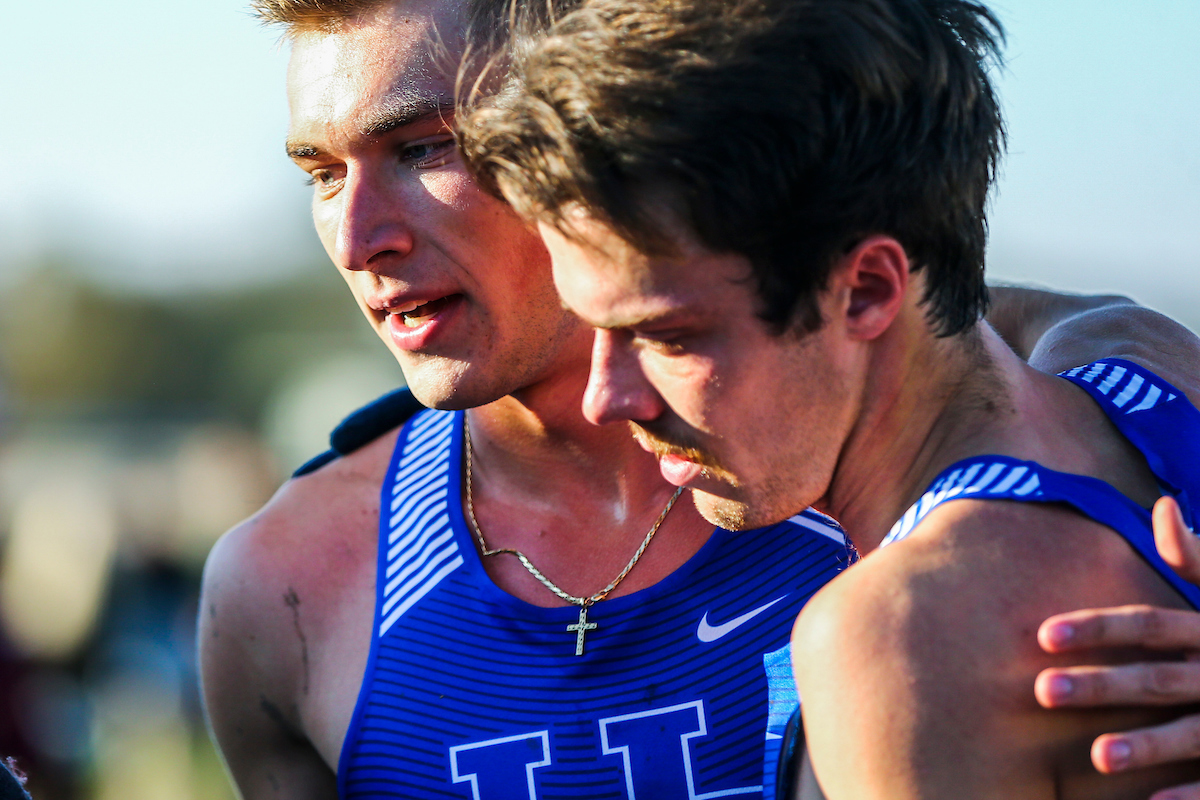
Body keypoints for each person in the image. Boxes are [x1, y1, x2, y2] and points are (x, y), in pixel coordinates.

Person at [458, 0, 1200, 796]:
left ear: (870, 290)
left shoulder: (898, 637)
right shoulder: (1142, 356)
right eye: (594, 323)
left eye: (666, 335)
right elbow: (1012, 306)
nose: (607, 397)